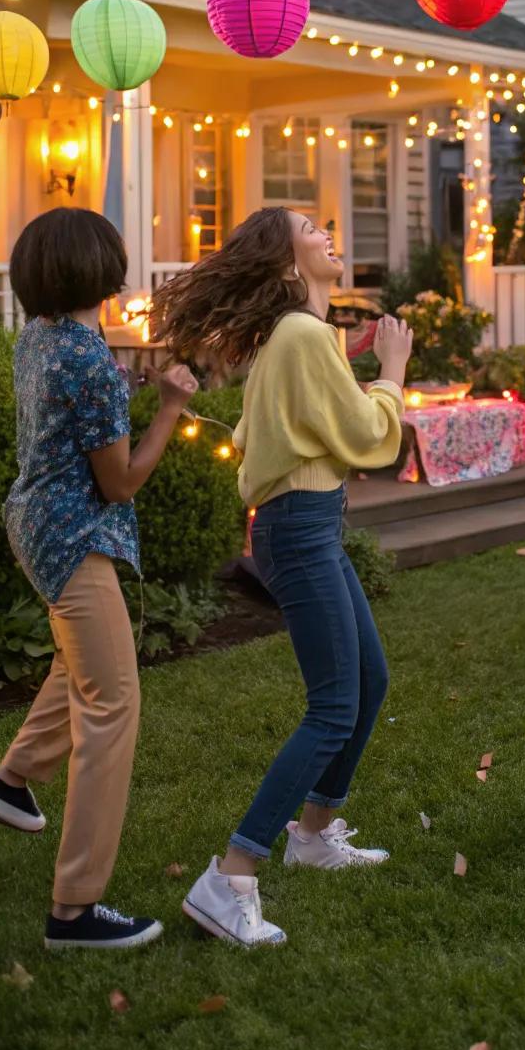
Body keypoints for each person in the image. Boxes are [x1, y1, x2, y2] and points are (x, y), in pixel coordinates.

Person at [149, 207, 412, 949]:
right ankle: (230, 877)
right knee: (333, 705)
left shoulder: (298, 336)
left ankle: (314, 833)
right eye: (310, 227)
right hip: (298, 527)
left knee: (371, 680)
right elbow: (367, 438)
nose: (328, 230)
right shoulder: (301, 335)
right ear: (286, 261)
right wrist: (391, 373)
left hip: (309, 521)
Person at [0, 208, 198, 949]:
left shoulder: (41, 340)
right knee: (114, 701)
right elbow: (121, 482)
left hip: (33, 526)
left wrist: (122, 388)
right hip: (75, 537)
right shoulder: (89, 358)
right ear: (100, 271)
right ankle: (76, 909)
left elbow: (75, 418)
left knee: (85, 667)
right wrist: (169, 408)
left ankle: (11, 781)